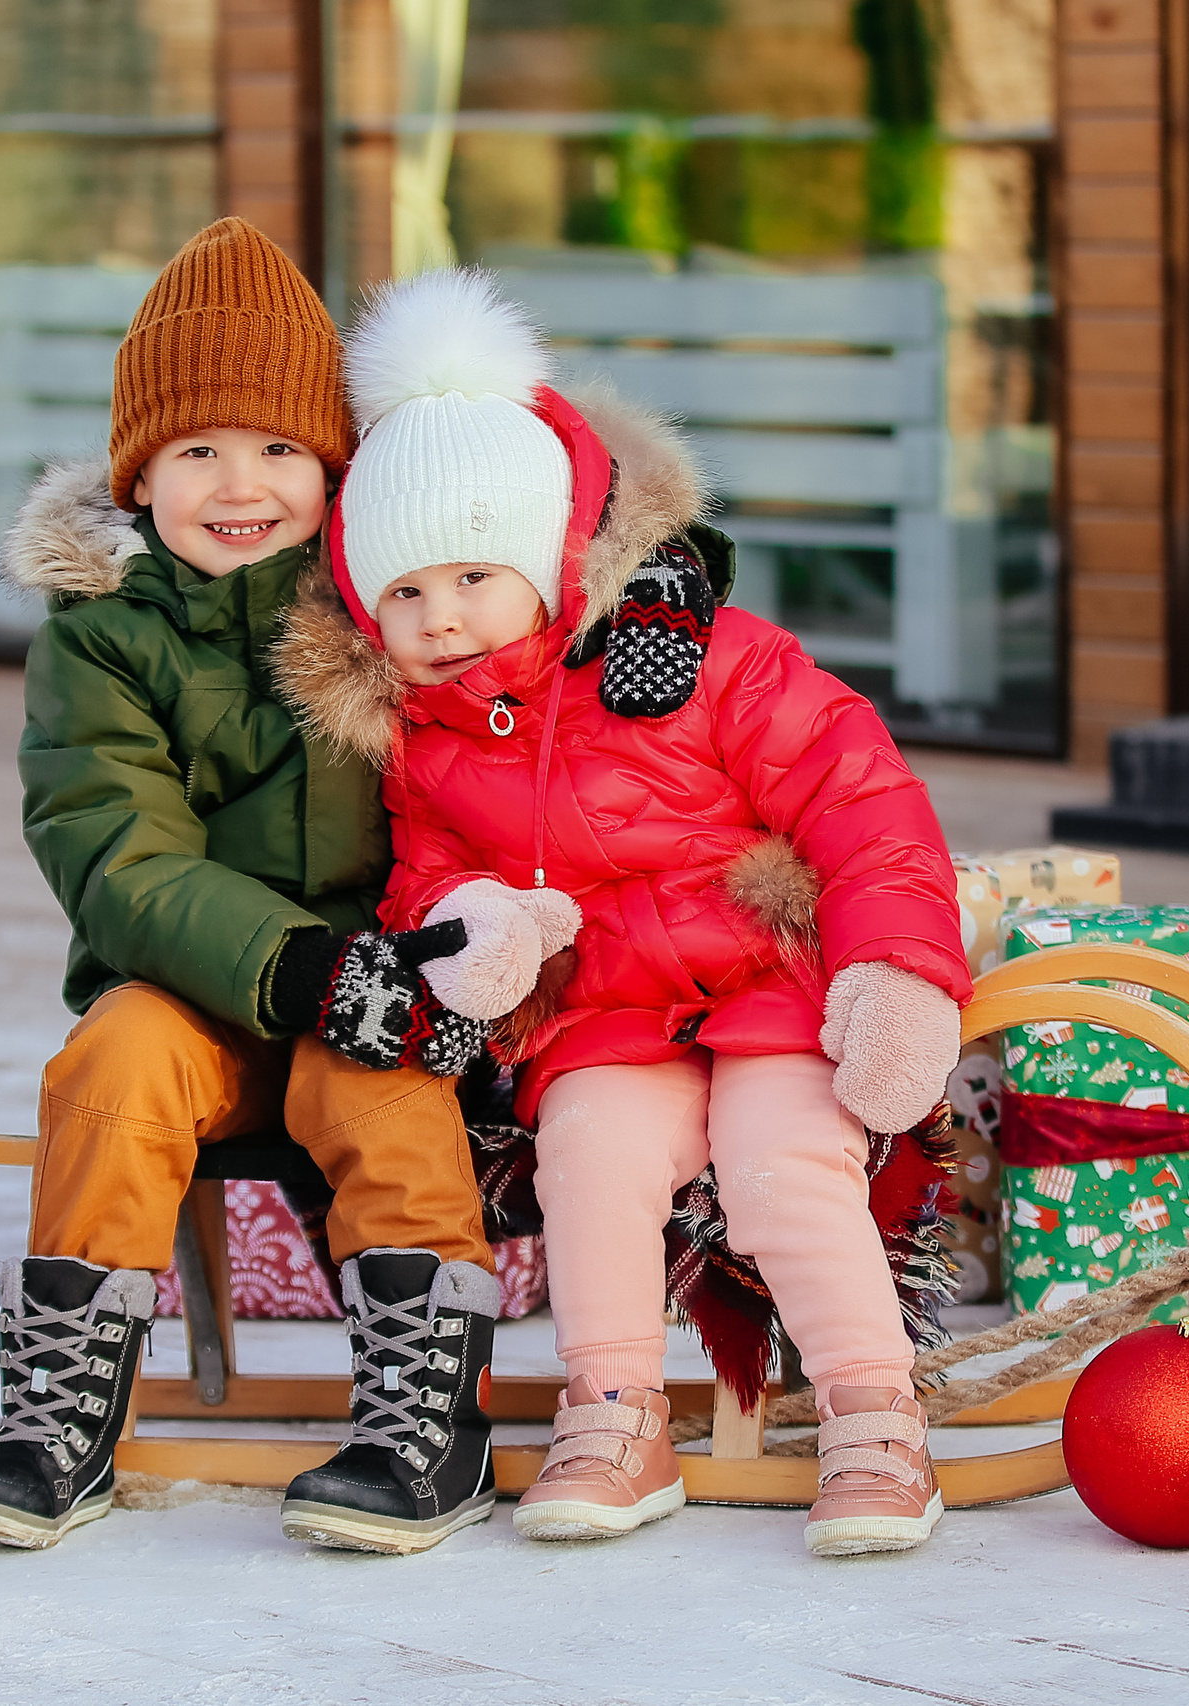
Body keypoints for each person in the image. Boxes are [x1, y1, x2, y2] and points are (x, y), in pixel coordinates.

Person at [275, 269, 974, 1558]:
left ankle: (876, 1416)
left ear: (550, 556)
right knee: (588, 1157)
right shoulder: (422, 744)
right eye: (404, 594)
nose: (440, 619)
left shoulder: (701, 659)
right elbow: (424, 876)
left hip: (763, 984)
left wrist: (897, 967)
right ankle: (614, 1411)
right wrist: (474, 924)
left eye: (472, 575)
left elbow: (861, 800)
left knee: (780, 1164)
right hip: (605, 1013)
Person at [0, 218, 507, 1557]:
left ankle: (428, 1422)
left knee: (379, 1088)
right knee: (114, 1061)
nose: (241, 485)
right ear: (138, 473)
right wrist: (297, 966)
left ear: (334, 464)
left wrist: (663, 579)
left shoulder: (392, 594)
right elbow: (113, 850)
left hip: (387, 992)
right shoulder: (100, 641)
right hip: (198, 994)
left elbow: (547, 544)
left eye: (278, 450)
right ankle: (59, 1418)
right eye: (198, 452)